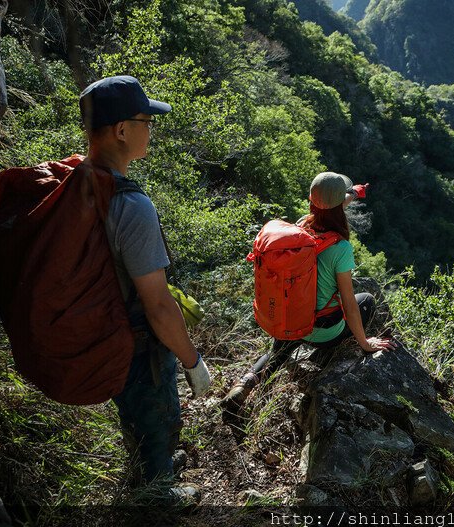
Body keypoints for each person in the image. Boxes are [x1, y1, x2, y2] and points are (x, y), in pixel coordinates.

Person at [78, 75, 211, 502]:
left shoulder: (75, 185)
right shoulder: (131, 206)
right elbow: (157, 305)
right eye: (145, 120)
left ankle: (144, 479)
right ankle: (158, 498)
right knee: (156, 422)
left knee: (133, 418)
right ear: (121, 130)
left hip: (97, 333)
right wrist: (192, 361)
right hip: (136, 348)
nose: (151, 128)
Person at [222, 172, 395, 412]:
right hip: (324, 334)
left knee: (280, 349)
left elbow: (330, 206)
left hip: (292, 320)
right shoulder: (341, 248)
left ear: (311, 202)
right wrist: (364, 343)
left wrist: (353, 193)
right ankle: (323, 355)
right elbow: (348, 303)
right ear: (338, 207)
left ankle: (247, 382)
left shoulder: (301, 227)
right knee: (366, 300)